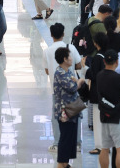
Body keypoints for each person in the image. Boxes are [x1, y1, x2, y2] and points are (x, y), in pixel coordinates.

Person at [43, 23, 83, 152]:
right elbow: (79, 65)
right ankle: (76, 143)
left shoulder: (47, 51)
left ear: (51, 34)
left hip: (57, 91)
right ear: (63, 34)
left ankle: (57, 143)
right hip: (72, 87)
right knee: (75, 113)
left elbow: (47, 71)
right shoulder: (70, 47)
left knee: (57, 115)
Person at [96, 49, 120, 168]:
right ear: (117, 62)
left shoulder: (99, 75)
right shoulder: (119, 78)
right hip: (119, 117)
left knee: (105, 148)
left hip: (104, 116)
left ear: (104, 61)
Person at [53, 46, 86, 167]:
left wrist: (77, 81)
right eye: (70, 56)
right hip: (64, 111)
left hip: (72, 109)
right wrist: (80, 81)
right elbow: (72, 87)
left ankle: (65, 162)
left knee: (70, 137)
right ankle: (61, 164)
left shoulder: (68, 71)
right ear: (65, 59)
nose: (72, 58)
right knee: (65, 137)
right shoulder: (60, 73)